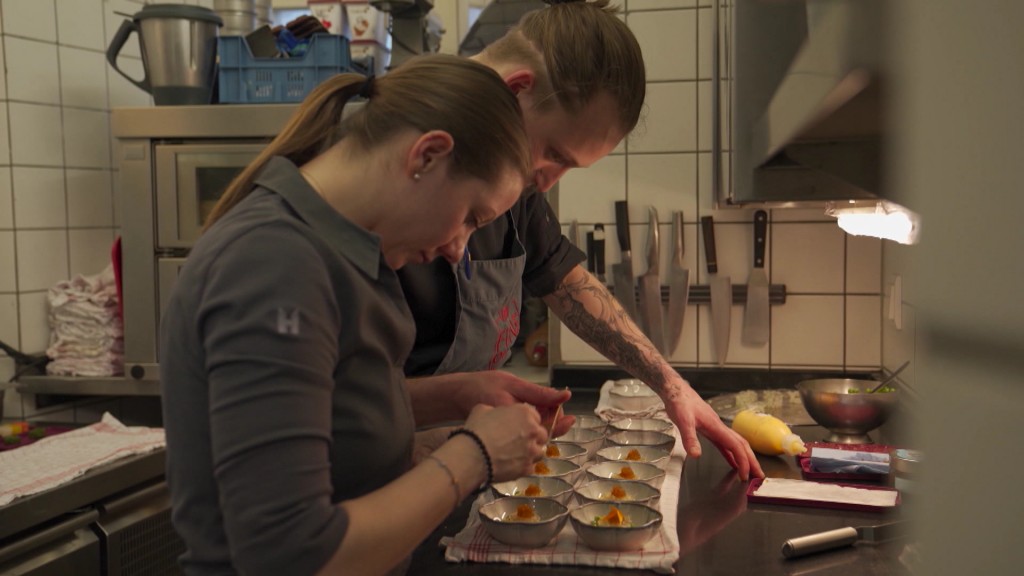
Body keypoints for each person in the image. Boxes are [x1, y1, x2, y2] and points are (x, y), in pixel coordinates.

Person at [159, 55, 554, 576]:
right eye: (470, 218)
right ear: (428, 155)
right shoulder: (272, 265)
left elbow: (323, 408)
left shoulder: (351, 252)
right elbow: (290, 553)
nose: (461, 250)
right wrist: (473, 454)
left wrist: (453, 397)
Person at [398, 0, 766, 480]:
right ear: (517, 93)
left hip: (458, 460)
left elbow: (565, 281)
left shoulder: (518, 176)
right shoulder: (398, 170)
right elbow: (329, 411)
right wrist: (450, 444)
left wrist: (669, 383)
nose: (546, 183)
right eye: (553, 154)